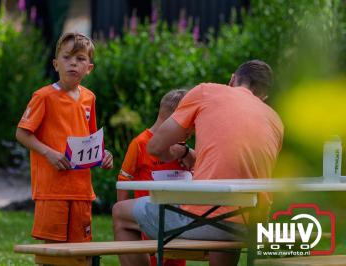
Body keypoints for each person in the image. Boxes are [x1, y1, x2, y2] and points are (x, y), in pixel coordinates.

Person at [112, 60, 284, 266]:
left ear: (232, 80)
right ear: (263, 96)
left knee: (120, 212)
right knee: (227, 218)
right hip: (253, 225)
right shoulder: (275, 120)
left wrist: (175, 152)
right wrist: (187, 153)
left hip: (206, 219)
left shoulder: (206, 91)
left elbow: (155, 147)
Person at [16, 32, 113, 244]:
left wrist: (103, 155)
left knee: (81, 254)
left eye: (80, 59)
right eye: (67, 57)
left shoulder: (89, 98)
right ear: (55, 64)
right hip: (52, 189)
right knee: (54, 251)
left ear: (89, 68)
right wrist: (49, 153)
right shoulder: (43, 96)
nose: (73, 64)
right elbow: (22, 133)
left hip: (81, 190)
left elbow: (91, 140)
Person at [117, 89, 190, 266]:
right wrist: (123, 213)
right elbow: (124, 181)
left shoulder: (181, 148)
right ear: (174, 120)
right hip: (147, 221)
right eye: (188, 124)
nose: (191, 131)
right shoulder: (140, 143)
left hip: (175, 221)